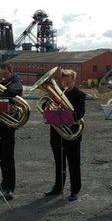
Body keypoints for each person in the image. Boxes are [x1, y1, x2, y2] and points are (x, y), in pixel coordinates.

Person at [43, 69, 86, 201]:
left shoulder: (79, 95)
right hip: (57, 134)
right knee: (59, 162)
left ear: (74, 81)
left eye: (68, 82)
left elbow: (79, 114)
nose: (65, 84)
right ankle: (58, 187)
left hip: (72, 133)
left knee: (74, 163)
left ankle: (75, 190)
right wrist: (52, 103)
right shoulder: (57, 93)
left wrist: (62, 111)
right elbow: (45, 106)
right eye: (63, 81)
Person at [0, 62, 23, 201]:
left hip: (8, 124)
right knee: (0, 156)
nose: (1, 76)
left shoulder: (16, 81)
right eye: (0, 74)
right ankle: (4, 182)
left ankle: (11, 187)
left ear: (10, 71)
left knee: (8, 156)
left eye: (4, 74)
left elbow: (13, 91)